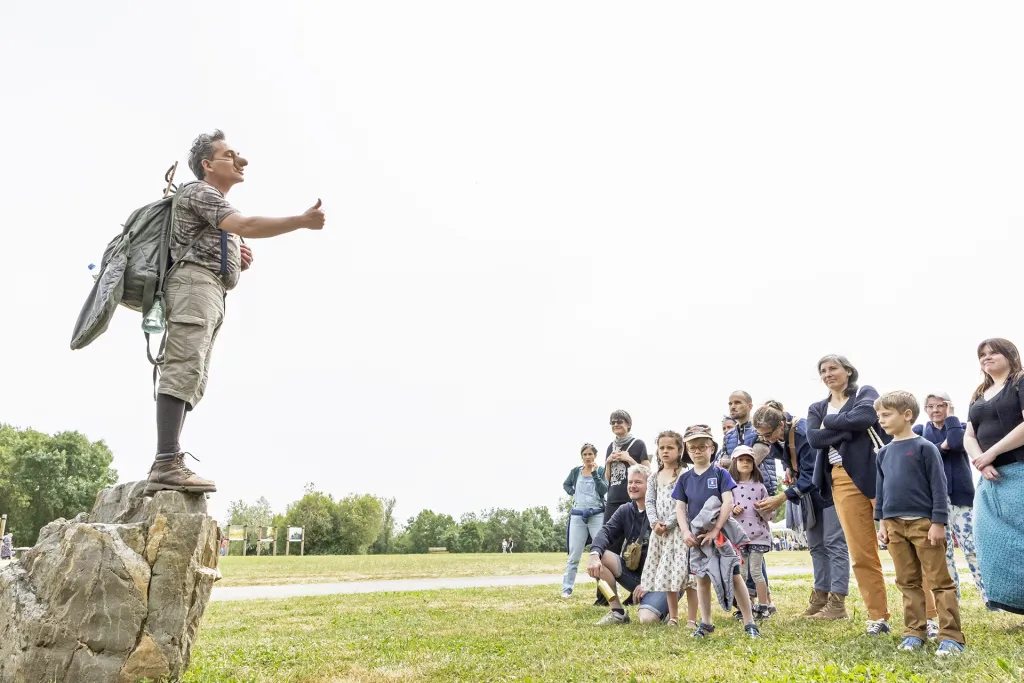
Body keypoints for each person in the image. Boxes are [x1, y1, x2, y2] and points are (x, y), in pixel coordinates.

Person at [145, 130, 326, 495]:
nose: (240, 161)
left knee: (192, 374)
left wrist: (233, 258)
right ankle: (165, 461)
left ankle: (170, 459)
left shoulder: (215, 204)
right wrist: (301, 221)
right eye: (230, 155)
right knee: (183, 366)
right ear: (208, 165)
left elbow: (234, 234)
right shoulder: (200, 191)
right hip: (194, 288)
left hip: (210, 290)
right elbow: (246, 226)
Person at [807, 354, 935, 637]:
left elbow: (865, 416)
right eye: (823, 370)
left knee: (905, 543)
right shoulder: (816, 406)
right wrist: (847, 426)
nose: (828, 374)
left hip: (877, 473)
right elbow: (814, 439)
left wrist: (830, 423)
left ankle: (929, 615)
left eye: (833, 368)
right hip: (840, 478)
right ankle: (878, 616)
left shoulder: (865, 393)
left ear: (848, 371)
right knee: (861, 552)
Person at [874, 390, 965, 656]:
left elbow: (939, 486)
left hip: (925, 525)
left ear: (907, 415)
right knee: (906, 581)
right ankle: (915, 632)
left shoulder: (925, 448)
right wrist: (881, 523)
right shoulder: (884, 452)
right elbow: (881, 491)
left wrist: (938, 522)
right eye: (879, 415)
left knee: (939, 580)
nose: (881, 420)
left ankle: (951, 636)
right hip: (894, 526)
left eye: (886, 414)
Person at [752, 400, 850, 620]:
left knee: (834, 543)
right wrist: (788, 466)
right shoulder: (785, 434)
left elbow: (811, 474)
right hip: (811, 496)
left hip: (830, 491)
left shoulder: (803, 432)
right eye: (762, 436)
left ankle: (838, 604)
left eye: (768, 435)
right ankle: (820, 598)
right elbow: (793, 462)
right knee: (816, 546)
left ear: (781, 424)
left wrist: (780, 498)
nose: (766, 440)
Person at [673, 424, 762, 639]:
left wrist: (716, 529)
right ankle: (706, 622)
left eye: (702, 446)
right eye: (692, 447)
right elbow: (680, 507)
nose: (697, 451)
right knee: (702, 578)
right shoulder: (684, 479)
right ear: (687, 450)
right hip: (697, 538)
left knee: (734, 576)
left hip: (720, 536)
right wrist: (685, 532)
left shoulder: (721, 473)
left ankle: (749, 622)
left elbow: (728, 502)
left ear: (711, 448)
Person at [964, 338, 1024, 614]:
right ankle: (1015, 602)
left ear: (1010, 355)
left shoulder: (1020, 381)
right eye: (982, 355)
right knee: (994, 542)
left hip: (1018, 469)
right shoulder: (979, 393)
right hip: (990, 478)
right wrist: (981, 461)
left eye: (993, 352)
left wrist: (992, 453)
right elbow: (969, 434)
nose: (986, 357)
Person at [913, 392, 987, 603]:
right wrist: (942, 447)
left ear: (949, 407)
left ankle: (988, 596)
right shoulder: (920, 431)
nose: (935, 410)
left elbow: (955, 443)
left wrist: (952, 419)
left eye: (941, 406)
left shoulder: (960, 427)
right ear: (925, 409)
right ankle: (952, 598)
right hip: (933, 499)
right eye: (931, 406)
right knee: (943, 552)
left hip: (959, 496)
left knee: (971, 547)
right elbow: (923, 456)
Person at [587, 465, 662, 625]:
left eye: (638, 482)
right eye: (630, 482)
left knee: (647, 620)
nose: (632, 486)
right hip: (636, 578)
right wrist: (594, 554)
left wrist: (649, 582)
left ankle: (662, 609)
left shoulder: (660, 510)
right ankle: (618, 613)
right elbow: (605, 532)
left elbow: (669, 553)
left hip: (662, 580)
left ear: (650, 485)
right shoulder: (625, 510)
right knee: (603, 556)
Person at [639, 431, 697, 628]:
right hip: (660, 534)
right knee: (666, 575)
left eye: (670, 447)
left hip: (680, 532)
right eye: (662, 447)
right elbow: (649, 501)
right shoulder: (654, 477)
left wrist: (670, 523)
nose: (665, 451)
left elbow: (683, 503)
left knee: (688, 578)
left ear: (680, 450)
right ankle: (673, 617)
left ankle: (692, 619)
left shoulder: (685, 473)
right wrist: (654, 522)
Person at [595, 410, 649, 606]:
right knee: (608, 547)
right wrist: (608, 462)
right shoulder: (611, 446)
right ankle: (604, 596)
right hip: (613, 499)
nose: (616, 425)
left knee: (636, 546)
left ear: (629, 423)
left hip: (633, 501)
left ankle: (635, 592)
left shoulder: (638, 444)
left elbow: (647, 471)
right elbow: (608, 478)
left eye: (620, 421)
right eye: (613, 422)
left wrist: (628, 459)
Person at [727, 446, 773, 618]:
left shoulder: (760, 487)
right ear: (735, 463)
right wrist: (733, 509)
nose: (745, 463)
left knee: (756, 571)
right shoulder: (730, 487)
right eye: (741, 460)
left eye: (748, 460)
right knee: (742, 573)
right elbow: (723, 510)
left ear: (754, 464)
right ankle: (745, 607)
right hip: (739, 538)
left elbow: (770, 513)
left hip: (758, 536)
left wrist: (762, 509)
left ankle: (763, 606)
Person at [561, 444, 608, 597]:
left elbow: (604, 490)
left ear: (595, 455)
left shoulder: (601, 471)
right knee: (574, 554)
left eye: (590, 454)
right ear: (582, 456)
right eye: (585, 454)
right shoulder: (576, 472)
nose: (587, 457)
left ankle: (610, 589)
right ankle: (567, 589)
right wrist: (572, 492)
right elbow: (566, 484)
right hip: (578, 515)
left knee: (602, 553)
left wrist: (594, 474)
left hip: (596, 514)